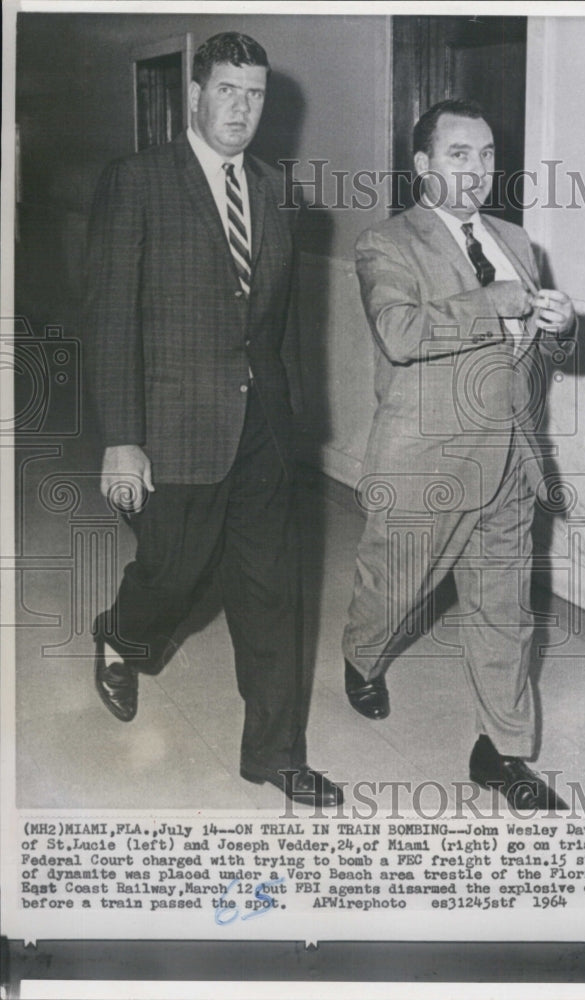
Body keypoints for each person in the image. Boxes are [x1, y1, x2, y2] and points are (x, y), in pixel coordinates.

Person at [84, 32, 342, 808]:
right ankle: (121, 636)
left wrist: (293, 417)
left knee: (270, 591)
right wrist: (122, 440)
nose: (241, 108)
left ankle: (273, 753)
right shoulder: (137, 180)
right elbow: (109, 317)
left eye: (254, 95)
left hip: (262, 426)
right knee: (174, 574)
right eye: (227, 90)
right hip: (176, 424)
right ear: (194, 96)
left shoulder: (274, 189)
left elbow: (282, 317)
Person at [342, 99, 576, 810]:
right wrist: (491, 301)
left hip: (509, 460)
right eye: (459, 154)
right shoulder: (386, 243)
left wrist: (561, 328)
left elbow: (534, 357)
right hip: (425, 461)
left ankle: (501, 752)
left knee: (503, 611)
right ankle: (361, 656)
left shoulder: (517, 241)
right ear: (422, 165)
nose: (477, 170)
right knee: (394, 590)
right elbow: (399, 332)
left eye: (487, 154)